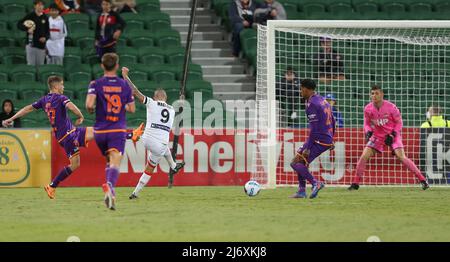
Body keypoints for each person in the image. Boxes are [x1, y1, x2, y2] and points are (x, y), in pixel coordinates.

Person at [2, 76, 93, 199]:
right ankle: (126, 135)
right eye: (62, 85)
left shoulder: (44, 100)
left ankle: (52, 186)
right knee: (80, 157)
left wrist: (11, 118)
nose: (63, 87)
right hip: (69, 135)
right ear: (56, 86)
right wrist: (80, 116)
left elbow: (26, 109)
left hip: (66, 134)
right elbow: (71, 106)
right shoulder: (61, 98)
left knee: (76, 163)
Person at [348, 85, 429, 191]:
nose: (374, 96)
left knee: (401, 157)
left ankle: (423, 180)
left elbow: (399, 123)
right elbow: (366, 123)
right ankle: (355, 183)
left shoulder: (391, 107)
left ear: (382, 94)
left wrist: (393, 134)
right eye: (372, 93)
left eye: (377, 93)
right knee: (363, 157)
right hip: (377, 137)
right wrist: (368, 132)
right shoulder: (367, 108)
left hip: (392, 135)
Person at [121, 67, 186, 199]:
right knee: (154, 162)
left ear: (155, 97)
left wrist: (125, 76)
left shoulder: (151, 103)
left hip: (148, 140)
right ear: (166, 98)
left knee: (150, 155)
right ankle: (173, 166)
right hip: (160, 144)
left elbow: (134, 91)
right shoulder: (172, 110)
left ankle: (135, 193)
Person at [86, 53, 138, 210]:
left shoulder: (95, 84)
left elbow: (89, 105)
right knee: (116, 160)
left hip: (100, 131)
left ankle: (110, 192)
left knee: (109, 160)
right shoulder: (124, 85)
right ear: (116, 66)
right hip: (117, 129)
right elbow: (132, 109)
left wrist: (93, 110)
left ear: (102, 65)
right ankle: (110, 186)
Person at [290, 79, 335, 199]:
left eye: (301, 88)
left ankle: (315, 183)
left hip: (319, 139)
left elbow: (314, 129)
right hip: (326, 138)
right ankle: (301, 191)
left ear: (306, 89)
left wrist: (308, 148)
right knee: (301, 162)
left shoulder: (311, 105)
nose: (300, 91)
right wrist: (332, 138)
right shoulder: (322, 100)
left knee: (295, 162)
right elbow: (333, 119)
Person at [17, 0, 50, 66]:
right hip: (31, 44)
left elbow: (48, 32)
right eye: (38, 5)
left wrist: (45, 38)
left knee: (40, 65)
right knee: (31, 65)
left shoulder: (45, 17)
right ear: (35, 6)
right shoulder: (30, 15)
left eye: (42, 5)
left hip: (41, 45)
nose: (40, 7)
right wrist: (27, 29)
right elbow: (19, 24)